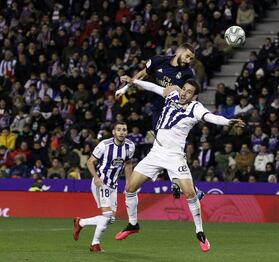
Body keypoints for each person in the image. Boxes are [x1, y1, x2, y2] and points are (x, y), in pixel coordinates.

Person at [114, 77, 245, 252]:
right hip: (156, 152)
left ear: (195, 96)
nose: (184, 92)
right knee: (129, 188)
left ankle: (200, 232)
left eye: (189, 92)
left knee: (190, 193)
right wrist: (134, 81)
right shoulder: (173, 94)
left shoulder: (195, 108)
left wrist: (228, 121)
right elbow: (153, 87)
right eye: (184, 88)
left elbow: (211, 117)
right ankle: (133, 224)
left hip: (175, 156)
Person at [116, 42, 202, 199]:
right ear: (179, 52)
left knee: (171, 145)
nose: (189, 60)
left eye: (192, 58)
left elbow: (192, 94)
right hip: (158, 110)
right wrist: (124, 89)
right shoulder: (158, 61)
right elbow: (142, 74)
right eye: (188, 56)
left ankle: (179, 182)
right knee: (162, 144)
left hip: (174, 113)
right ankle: (177, 181)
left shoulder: (188, 74)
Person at [73, 122, 135, 252]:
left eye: (124, 130)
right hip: (101, 182)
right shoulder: (104, 145)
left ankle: (81, 223)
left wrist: (129, 182)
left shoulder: (130, 146)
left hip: (113, 185)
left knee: (110, 219)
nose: (121, 132)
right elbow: (90, 162)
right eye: (118, 130)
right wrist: (95, 177)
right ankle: (95, 244)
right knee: (107, 215)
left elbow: (128, 163)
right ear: (114, 132)